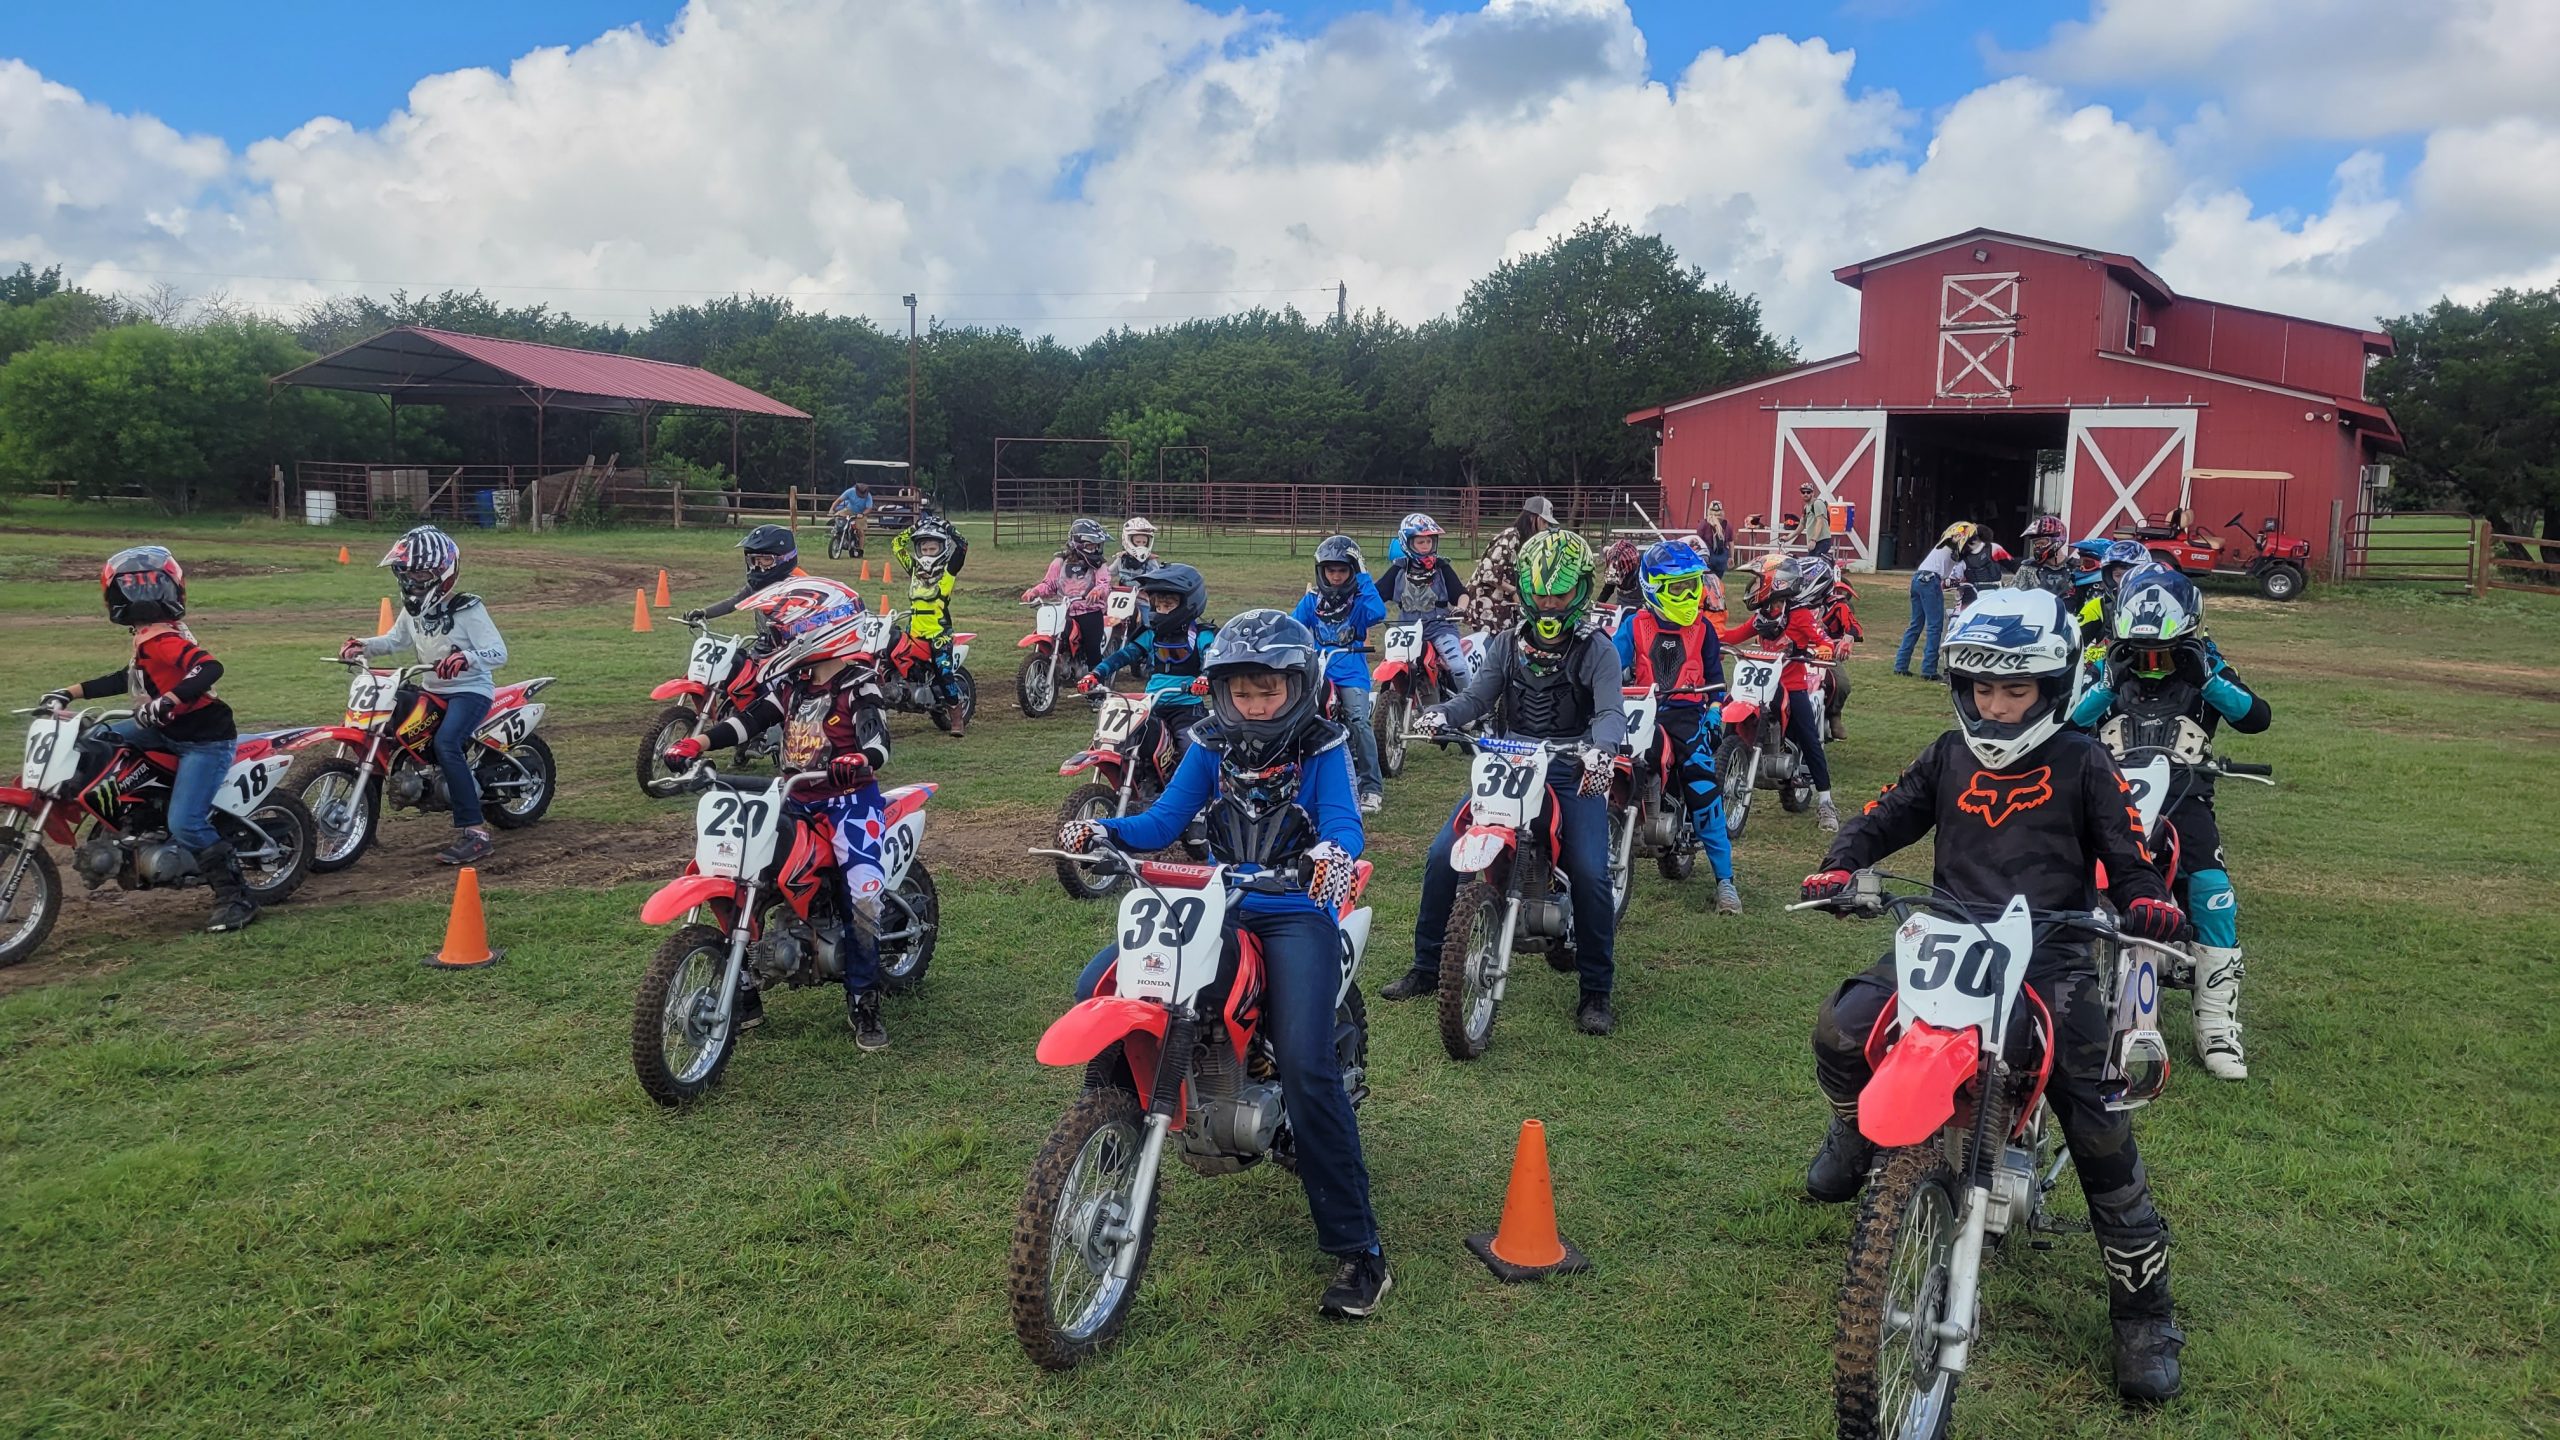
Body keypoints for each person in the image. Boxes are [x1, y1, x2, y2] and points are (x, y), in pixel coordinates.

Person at [1800, 586, 2191, 1402]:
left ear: (2053, 687)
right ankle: (1853, 1137)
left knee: (2096, 1118)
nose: (1997, 705)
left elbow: (2127, 852)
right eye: (1982, 688)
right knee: (1841, 1031)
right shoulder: (1948, 753)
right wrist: (1843, 860)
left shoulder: (2085, 760)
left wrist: (2145, 895)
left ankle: (2144, 1314)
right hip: (1949, 941)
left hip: (2053, 956)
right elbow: (1886, 813)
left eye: (2016, 690)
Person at [1060, 609, 1387, 1318]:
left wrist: (1329, 858)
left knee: (1304, 1062)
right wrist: (1106, 830)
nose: (1254, 703)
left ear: (1297, 687)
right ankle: (1115, 1128)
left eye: (1268, 689)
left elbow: (1343, 823)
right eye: (1242, 690)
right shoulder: (1207, 744)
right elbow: (1161, 823)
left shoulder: (1324, 745)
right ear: (1221, 692)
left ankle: (1361, 1251)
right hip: (1217, 901)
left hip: (1295, 909)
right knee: (1100, 981)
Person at [1388, 530, 1628, 1036]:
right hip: (1509, 761)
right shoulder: (1505, 643)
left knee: (1588, 870)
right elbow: (1476, 698)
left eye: (1559, 594)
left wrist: (1601, 750)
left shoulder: (1597, 650)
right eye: (1539, 592)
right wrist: (1440, 713)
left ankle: (1596, 990)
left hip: (1570, 765)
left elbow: (1609, 712)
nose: (1547, 603)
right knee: (1440, 855)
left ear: (1581, 591)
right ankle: (1427, 966)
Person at [661, 578, 896, 1049]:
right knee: (734, 869)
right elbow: (749, 721)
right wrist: (698, 741)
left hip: (850, 803)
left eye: (786, 630)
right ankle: (744, 988)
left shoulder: (860, 682)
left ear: (821, 629)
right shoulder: (792, 684)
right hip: (790, 798)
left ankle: (864, 999)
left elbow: (876, 739)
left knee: (864, 892)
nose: (779, 639)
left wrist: (861, 760)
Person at [2070, 565, 2271, 1080]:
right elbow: (2070, 722)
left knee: (2212, 890)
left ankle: (2217, 1022)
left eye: (2164, 654)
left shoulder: (2208, 663)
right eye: (2144, 654)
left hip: (2186, 796)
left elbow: (2255, 716)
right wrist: (2110, 680)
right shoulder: (2109, 664)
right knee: (2069, 875)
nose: (2153, 665)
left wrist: (2205, 675)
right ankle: (2068, 997)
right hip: (2112, 794)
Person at [41, 547, 257, 932]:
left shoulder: (165, 639)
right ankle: (130, 816)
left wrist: (171, 700)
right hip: (163, 729)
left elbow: (209, 667)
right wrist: (68, 692)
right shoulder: (146, 636)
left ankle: (236, 898)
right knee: (99, 737)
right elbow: (127, 678)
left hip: (202, 740)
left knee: (187, 822)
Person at [341, 526, 509, 865]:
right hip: (431, 689)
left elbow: (498, 652)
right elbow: (395, 641)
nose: (412, 578)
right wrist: (363, 646)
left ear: (441, 572)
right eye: (407, 571)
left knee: (447, 743)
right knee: (382, 731)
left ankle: (476, 833)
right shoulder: (414, 608)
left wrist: (466, 658)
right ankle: (365, 824)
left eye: (420, 571)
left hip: (470, 691)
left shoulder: (467, 608)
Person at [1611, 540, 1741, 914]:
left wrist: (1716, 709)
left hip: (1686, 714)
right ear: (1654, 588)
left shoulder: (1704, 631)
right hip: (1638, 709)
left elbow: (1717, 680)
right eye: (1680, 587)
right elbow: (1607, 664)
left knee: (1701, 783)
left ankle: (1726, 881)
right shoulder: (1635, 625)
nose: (1690, 593)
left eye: (1693, 585)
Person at [1721, 554, 1840, 830]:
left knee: (1810, 739)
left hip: (1792, 685)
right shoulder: (1761, 617)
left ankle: (1826, 803)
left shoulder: (1798, 616)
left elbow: (1821, 638)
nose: (1753, 586)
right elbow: (1734, 635)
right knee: (1726, 712)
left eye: (1758, 581)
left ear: (1776, 584)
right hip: (1761, 682)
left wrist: (1824, 648)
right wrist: (1707, 636)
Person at [1079, 563, 1216, 777]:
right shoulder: (1152, 634)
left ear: (1188, 603)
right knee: (1124, 743)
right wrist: (1096, 674)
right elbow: (1124, 655)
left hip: (1186, 708)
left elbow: (1213, 659)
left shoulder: (1202, 635)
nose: (1161, 611)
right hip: (1148, 705)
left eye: (1168, 605)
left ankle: (1196, 793)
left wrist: (1205, 678)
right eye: (1157, 605)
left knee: (1190, 747)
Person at [1291, 535, 1387, 813]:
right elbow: (1292, 626)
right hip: (1318, 671)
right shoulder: (1311, 601)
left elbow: (1377, 613)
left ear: (1353, 571)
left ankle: (1371, 787)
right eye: (1330, 570)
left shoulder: (1358, 603)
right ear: (1321, 571)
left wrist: (1365, 576)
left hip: (1351, 672)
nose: (1335, 576)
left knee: (1358, 721)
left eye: (1343, 570)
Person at [890, 515, 971, 737]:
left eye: (932, 548)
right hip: (913, 630)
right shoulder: (914, 570)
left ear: (942, 549)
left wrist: (948, 527)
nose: (927, 552)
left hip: (939, 633)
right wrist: (914, 526)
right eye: (923, 548)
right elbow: (896, 544)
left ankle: (956, 717)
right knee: (891, 657)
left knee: (944, 671)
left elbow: (963, 545)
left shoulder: (948, 572)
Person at [1376, 512, 1472, 691]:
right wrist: (1366, 610)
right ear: (1408, 543)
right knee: (1392, 665)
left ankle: (1473, 708)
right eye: (1421, 542)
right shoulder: (1398, 569)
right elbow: (1376, 594)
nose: (1426, 546)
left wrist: (1461, 608)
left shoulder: (1442, 567)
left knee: (1458, 668)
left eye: (1429, 541)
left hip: (1440, 628)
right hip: (1406, 631)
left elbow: (1461, 593)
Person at [1020, 518, 1113, 667]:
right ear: (1078, 544)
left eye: (1097, 546)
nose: (1095, 549)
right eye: (1091, 545)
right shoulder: (1060, 562)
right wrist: (1035, 591)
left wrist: (1097, 591)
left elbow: (1105, 583)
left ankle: (1097, 685)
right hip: (1064, 611)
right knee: (1049, 634)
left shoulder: (1099, 565)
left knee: (1092, 649)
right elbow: (1050, 583)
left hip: (1089, 610)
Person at [1461, 495, 1555, 635]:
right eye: (1545, 522)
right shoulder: (1511, 536)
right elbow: (1487, 573)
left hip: (1505, 606)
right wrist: (1513, 591)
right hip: (1488, 605)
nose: (1546, 527)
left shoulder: (1527, 544)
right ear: (1533, 518)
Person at [1894, 522, 1970, 680]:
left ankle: (1900, 665)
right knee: (1935, 626)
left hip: (1918, 578)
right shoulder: (1956, 549)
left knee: (1915, 625)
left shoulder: (1943, 546)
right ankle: (1929, 670)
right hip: (1930, 581)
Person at [686, 524, 806, 624]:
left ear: (785, 559)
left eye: (766, 560)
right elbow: (733, 602)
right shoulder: (757, 585)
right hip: (769, 644)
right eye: (754, 560)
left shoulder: (801, 586)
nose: (759, 566)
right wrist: (705, 613)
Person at [1797, 554, 1860, 742]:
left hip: (1825, 653)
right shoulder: (1791, 600)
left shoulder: (1837, 603)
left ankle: (1834, 715)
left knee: (1841, 684)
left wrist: (1848, 638)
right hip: (1793, 650)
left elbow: (1854, 625)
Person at [2010, 514, 2076, 600]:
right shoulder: (2027, 568)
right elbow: (2012, 597)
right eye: (2035, 544)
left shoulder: (2076, 569)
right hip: (2036, 612)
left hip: (2069, 613)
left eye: (2041, 543)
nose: (2037, 547)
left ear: (2057, 539)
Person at [827, 479, 873, 556]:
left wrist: (862, 514)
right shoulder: (850, 491)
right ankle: (839, 531)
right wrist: (832, 510)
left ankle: (860, 550)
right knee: (838, 515)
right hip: (850, 510)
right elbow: (839, 500)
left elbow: (869, 508)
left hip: (861, 513)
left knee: (860, 531)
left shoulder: (868, 496)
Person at [1112, 517, 1160, 586]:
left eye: (1144, 542)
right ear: (1127, 541)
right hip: (1124, 591)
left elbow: (1157, 578)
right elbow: (1108, 573)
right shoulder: (1122, 559)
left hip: (1143, 592)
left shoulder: (1150, 561)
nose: (1141, 545)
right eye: (1138, 542)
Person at [1696, 500, 1734, 576]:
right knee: (1718, 581)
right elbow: (1731, 543)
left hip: (1708, 556)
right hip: (1722, 556)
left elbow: (1698, 541)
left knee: (1706, 580)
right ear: (1722, 511)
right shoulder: (1727, 525)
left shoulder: (1704, 524)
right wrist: (1731, 557)